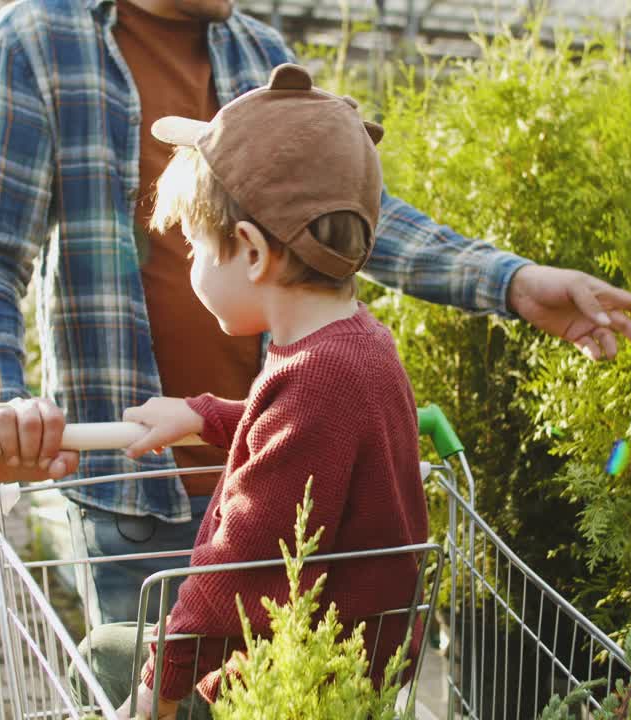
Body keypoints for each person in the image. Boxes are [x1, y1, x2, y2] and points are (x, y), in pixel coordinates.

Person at [0, 0, 631, 628]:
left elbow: (340, 212)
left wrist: (510, 281)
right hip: (135, 491)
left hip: (297, 490)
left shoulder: (259, 51)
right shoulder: (36, 41)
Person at [77, 62, 429, 718]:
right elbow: (301, 439)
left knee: (103, 654)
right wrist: (201, 415)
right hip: (340, 662)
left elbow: (228, 578)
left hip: (288, 684)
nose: (190, 270)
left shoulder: (318, 375)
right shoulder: (352, 344)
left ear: (250, 252)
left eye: (193, 251)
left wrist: (156, 692)